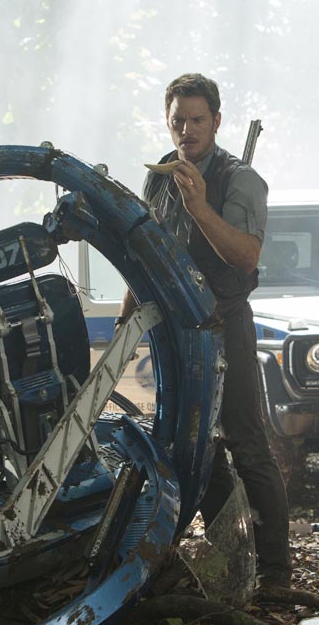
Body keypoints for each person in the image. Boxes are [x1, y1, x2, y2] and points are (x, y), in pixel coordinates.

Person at [118, 73, 292, 588]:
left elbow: (245, 256)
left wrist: (199, 208)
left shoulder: (240, 180)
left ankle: (276, 573)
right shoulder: (158, 178)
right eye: (179, 121)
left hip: (224, 324)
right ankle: (232, 557)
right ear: (167, 121)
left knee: (247, 443)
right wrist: (125, 327)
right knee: (192, 445)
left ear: (216, 121)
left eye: (197, 120)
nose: (187, 130)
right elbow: (144, 255)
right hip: (174, 331)